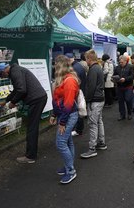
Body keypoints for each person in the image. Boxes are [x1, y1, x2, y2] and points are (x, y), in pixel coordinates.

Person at [0, 62, 47, 164]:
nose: (4, 77)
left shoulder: (15, 72)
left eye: (2, 75)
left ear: (4, 71)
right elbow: (17, 90)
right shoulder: (16, 70)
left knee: (32, 128)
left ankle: (30, 156)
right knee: (32, 126)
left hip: (36, 100)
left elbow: (21, 90)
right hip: (38, 98)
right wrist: (6, 100)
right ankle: (31, 153)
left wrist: (13, 102)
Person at [49, 55, 79, 184]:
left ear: (61, 65)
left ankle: (71, 171)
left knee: (61, 143)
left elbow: (68, 103)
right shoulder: (63, 79)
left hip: (68, 115)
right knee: (67, 142)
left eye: (56, 64)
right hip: (64, 114)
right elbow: (57, 100)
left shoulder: (69, 80)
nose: (54, 66)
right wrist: (54, 114)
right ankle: (69, 166)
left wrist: (62, 122)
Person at [80, 49, 107, 159]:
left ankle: (92, 149)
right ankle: (101, 142)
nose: (85, 61)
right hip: (100, 98)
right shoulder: (98, 67)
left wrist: (87, 100)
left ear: (89, 58)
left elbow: (91, 87)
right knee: (98, 121)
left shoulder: (93, 69)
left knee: (92, 124)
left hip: (95, 100)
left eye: (86, 58)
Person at [66, 53, 86, 137]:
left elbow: (75, 83)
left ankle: (78, 130)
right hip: (81, 90)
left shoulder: (74, 68)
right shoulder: (79, 65)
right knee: (79, 110)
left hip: (78, 92)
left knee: (78, 111)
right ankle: (78, 129)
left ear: (69, 60)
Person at [113, 55, 134, 120]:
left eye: (122, 62)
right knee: (120, 101)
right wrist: (113, 79)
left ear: (126, 61)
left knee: (128, 100)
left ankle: (129, 113)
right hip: (120, 87)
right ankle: (122, 115)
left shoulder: (130, 67)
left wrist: (125, 79)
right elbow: (114, 75)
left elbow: (132, 76)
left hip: (128, 86)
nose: (120, 63)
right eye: (120, 62)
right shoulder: (117, 67)